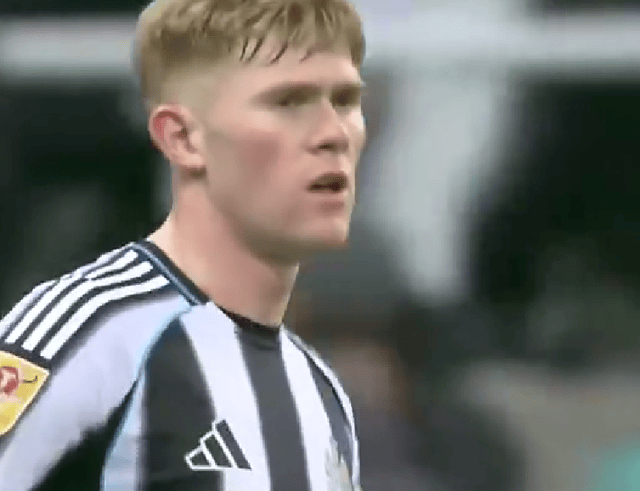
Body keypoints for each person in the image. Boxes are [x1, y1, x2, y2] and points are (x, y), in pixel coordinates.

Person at [0, 0, 368, 489]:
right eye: (288, 102)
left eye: (344, 100)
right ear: (183, 139)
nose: (334, 134)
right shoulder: (91, 333)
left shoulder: (320, 391)